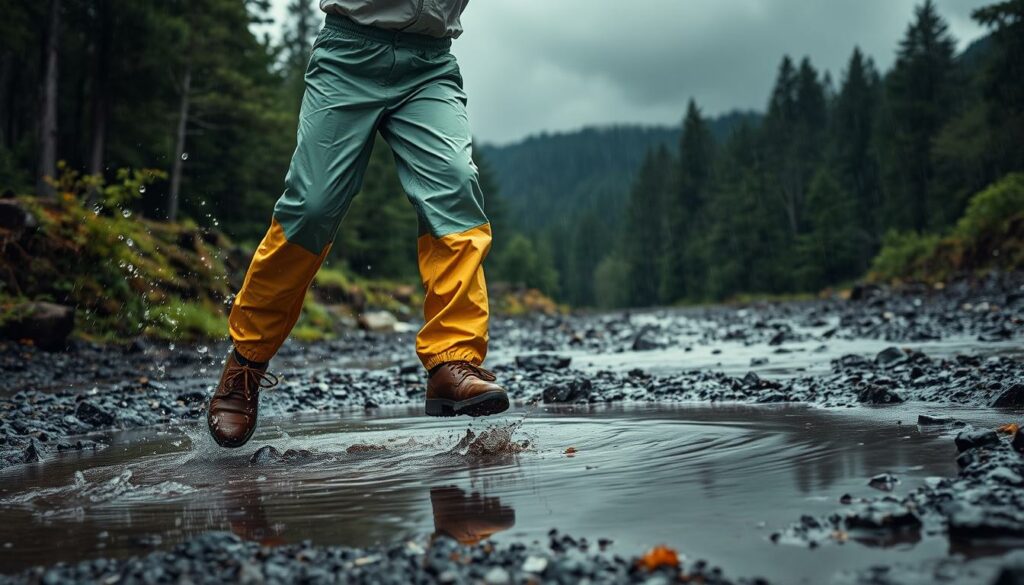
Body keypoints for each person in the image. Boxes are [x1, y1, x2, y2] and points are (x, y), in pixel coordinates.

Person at [207, 0, 508, 449]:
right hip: (349, 51)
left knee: (456, 189)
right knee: (311, 208)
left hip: (430, 62)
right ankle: (246, 362)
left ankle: (453, 361)